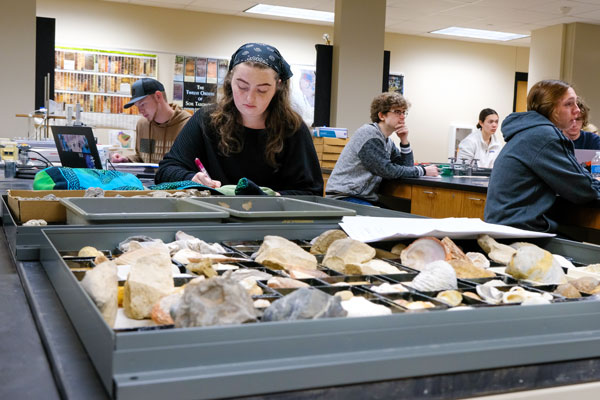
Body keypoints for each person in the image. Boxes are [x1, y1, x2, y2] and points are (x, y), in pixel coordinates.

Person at [155, 43, 323, 195]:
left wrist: (273, 198)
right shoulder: (206, 120)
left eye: (262, 90)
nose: (250, 98)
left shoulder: (293, 128)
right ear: (230, 80)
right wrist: (191, 178)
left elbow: (312, 192)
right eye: (242, 86)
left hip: (270, 223)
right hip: (214, 218)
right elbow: (165, 171)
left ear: (278, 86)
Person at [484, 79, 600, 232]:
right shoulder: (546, 136)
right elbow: (583, 189)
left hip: (505, 226)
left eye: (576, 103)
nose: (577, 110)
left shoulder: (528, 131)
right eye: (569, 104)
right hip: (520, 231)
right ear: (551, 109)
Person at [325, 92, 439, 206]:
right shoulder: (369, 134)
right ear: (381, 116)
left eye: (404, 112)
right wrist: (423, 170)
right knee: (388, 219)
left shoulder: (387, 141)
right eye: (397, 112)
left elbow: (406, 167)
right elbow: (387, 170)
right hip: (343, 198)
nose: (403, 116)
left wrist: (404, 140)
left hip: (359, 197)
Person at [111, 78, 191, 164]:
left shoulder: (187, 125)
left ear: (158, 96)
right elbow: (142, 157)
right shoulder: (142, 125)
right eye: (137, 106)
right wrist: (126, 160)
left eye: (142, 104)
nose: (140, 111)